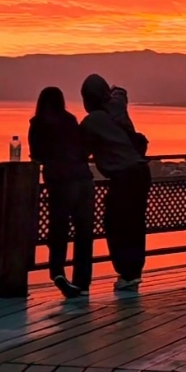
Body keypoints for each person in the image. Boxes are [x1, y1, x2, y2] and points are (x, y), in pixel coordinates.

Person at [79, 74, 151, 292]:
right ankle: (133, 273)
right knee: (135, 224)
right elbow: (120, 93)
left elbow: (80, 150)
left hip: (123, 177)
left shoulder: (93, 121)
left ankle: (126, 273)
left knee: (115, 223)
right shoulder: (117, 108)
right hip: (140, 172)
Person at [28, 86, 95, 299]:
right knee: (84, 232)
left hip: (59, 183)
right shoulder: (70, 121)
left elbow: (37, 155)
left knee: (59, 229)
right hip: (82, 180)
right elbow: (83, 149)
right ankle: (82, 282)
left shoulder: (36, 125)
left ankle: (57, 271)